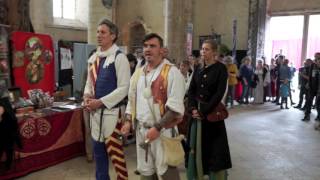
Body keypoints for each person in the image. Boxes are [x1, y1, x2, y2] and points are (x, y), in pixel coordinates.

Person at [121, 33, 185, 180]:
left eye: (152, 46)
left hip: (163, 132)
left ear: (162, 50)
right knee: (146, 172)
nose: (148, 49)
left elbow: (174, 108)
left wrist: (157, 128)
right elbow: (132, 101)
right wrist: (127, 121)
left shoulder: (172, 72)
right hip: (141, 131)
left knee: (167, 172)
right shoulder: (138, 74)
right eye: (145, 46)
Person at [83, 18, 131, 180]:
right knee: (99, 155)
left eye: (103, 32)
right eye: (97, 32)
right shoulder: (94, 58)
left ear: (113, 35)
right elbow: (89, 82)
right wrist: (87, 96)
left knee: (116, 156)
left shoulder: (120, 58)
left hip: (112, 114)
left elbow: (124, 88)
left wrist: (101, 101)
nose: (98, 35)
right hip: (95, 115)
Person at [187, 39, 232, 180]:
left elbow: (219, 94)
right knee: (197, 147)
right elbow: (192, 90)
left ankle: (215, 175)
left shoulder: (221, 69)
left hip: (211, 114)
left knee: (214, 148)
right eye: (202, 49)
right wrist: (193, 108)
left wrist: (203, 111)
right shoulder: (198, 68)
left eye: (206, 49)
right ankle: (199, 173)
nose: (203, 52)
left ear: (214, 52)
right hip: (197, 114)